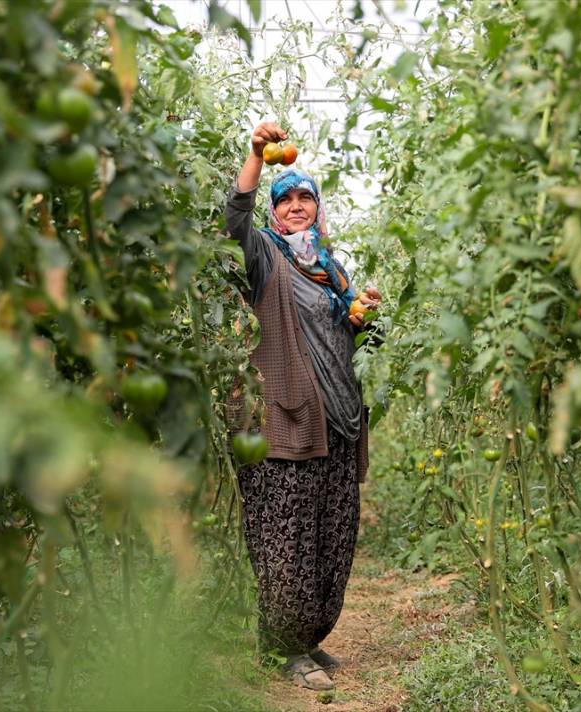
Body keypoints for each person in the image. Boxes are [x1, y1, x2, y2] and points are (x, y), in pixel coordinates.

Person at [224, 121, 382, 691]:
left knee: (330, 534)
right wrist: (255, 158)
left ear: (317, 207)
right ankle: (283, 648)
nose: (296, 206)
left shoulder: (331, 268)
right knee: (285, 536)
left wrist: (363, 316)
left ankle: (310, 638)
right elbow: (233, 220)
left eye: (304, 197)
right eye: (284, 198)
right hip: (288, 419)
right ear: (274, 212)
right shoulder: (266, 255)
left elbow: (346, 339)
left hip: (337, 422)